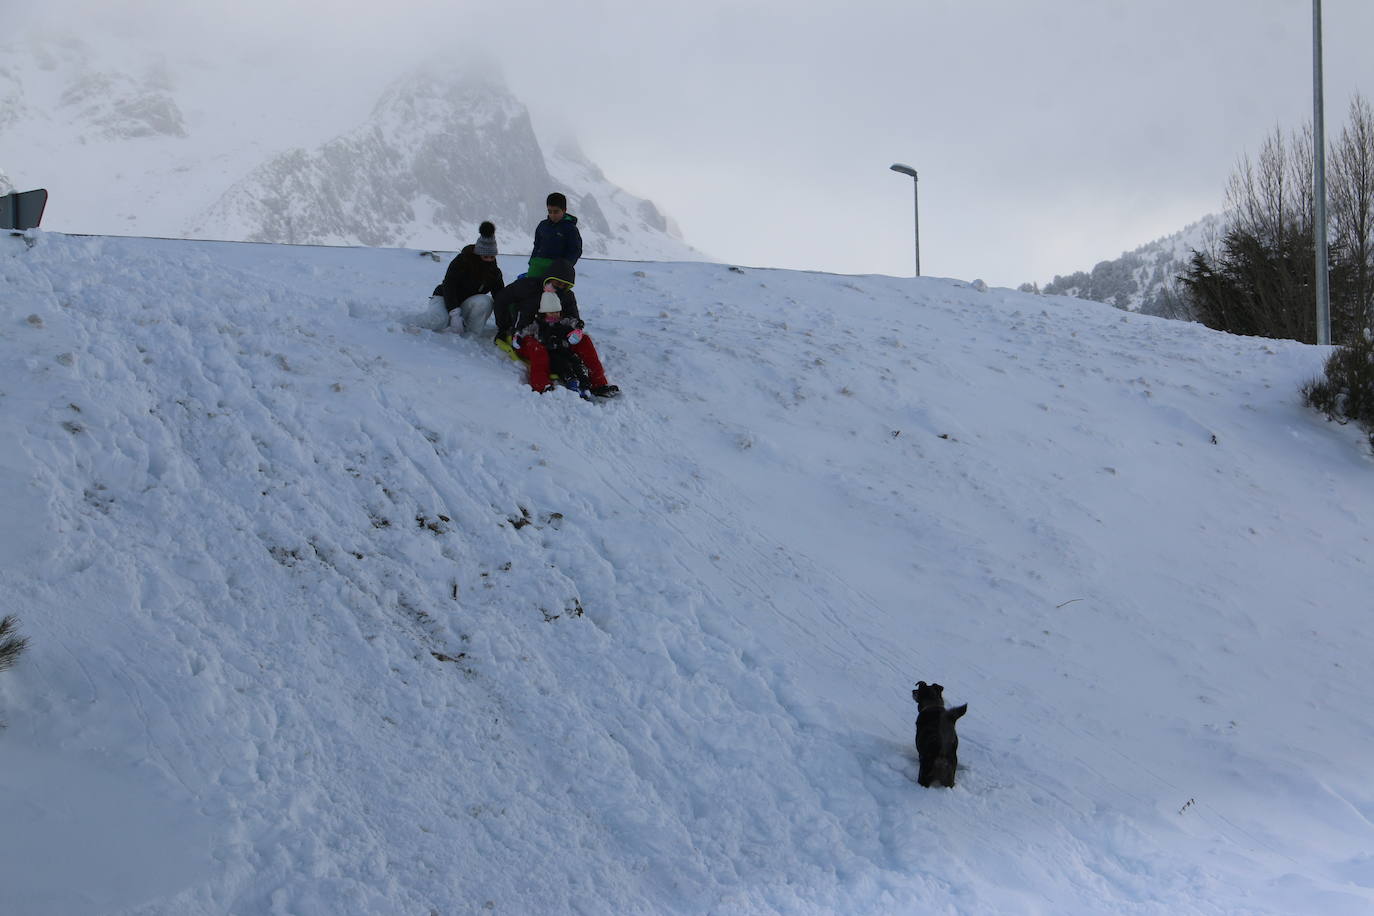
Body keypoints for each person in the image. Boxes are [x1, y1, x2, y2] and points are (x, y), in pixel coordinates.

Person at [504, 259, 619, 397]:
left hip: (557, 339)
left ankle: (598, 383)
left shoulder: (567, 297)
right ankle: (541, 385)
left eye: (564, 285)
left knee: (585, 340)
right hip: (534, 338)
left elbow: (572, 320)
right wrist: (517, 336)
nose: (560, 287)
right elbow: (522, 324)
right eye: (558, 283)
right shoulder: (533, 294)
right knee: (538, 350)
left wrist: (576, 330)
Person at [432, 221, 504, 335]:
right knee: (438, 321)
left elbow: (500, 298)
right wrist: (454, 313)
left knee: (485, 301)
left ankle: (470, 335)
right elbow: (449, 285)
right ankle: (409, 329)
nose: (489, 260)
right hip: (445, 298)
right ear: (478, 254)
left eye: (492, 257)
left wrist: (505, 323)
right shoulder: (462, 261)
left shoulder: (494, 272)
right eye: (486, 256)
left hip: (466, 305)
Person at [526, 192, 582, 281]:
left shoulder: (570, 229)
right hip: (538, 266)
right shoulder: (542, 225)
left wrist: (564, 267)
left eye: (556, 212)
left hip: (557, 270)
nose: (552, 215)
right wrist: (532, 261)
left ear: (564, 210)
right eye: (550, 211)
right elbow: (537, 245)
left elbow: (575, 251)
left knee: (551, 293)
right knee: (531, 290)